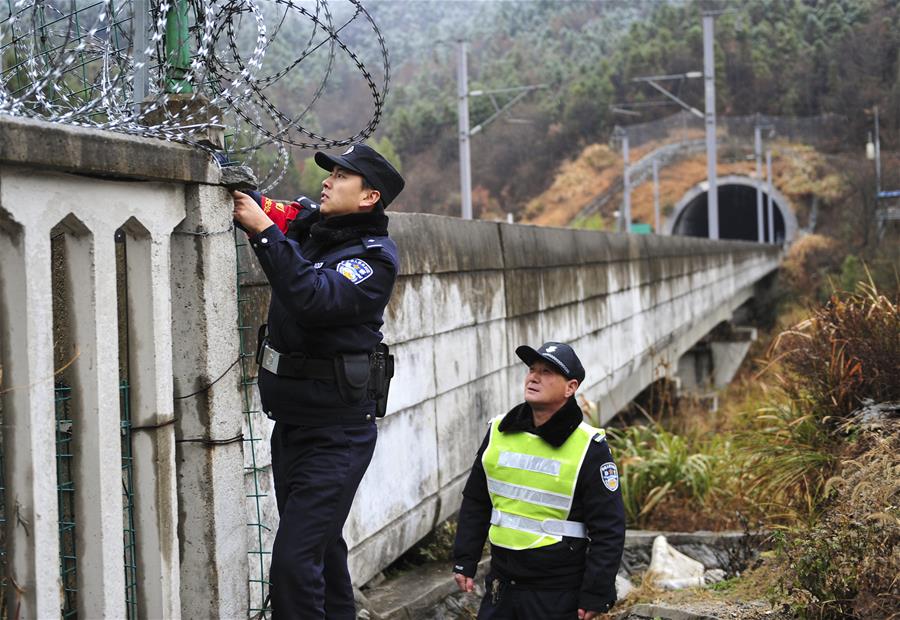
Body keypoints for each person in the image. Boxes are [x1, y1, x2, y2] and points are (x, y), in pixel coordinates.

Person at [231, 143, 404, 619]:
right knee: (323, 551)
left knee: (293, 561)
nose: (326, 181)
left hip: (337, 435)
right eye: (329, 174)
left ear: (369, 197)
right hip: (293, 425)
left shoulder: (371, 260)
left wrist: (264, 233)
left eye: (341, 176)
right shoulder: (316, 229)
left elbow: (314, 297)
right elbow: (273, 211)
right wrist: (235, 187)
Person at [452, 342, 625, 619]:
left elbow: (609, 527)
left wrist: (596, 592)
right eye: (532, 369)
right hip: (501, 584)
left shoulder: (589, 447)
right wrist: (464, 560)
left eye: (547, 372)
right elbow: (476, 501)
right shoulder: (498, 431)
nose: (533, 376)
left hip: (556, 592)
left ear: (570, 387)